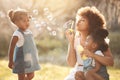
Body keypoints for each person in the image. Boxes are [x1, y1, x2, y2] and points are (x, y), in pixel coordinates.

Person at [65, 6, 114, 80]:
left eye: (83, 20)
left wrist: (92, 55)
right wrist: (71, 42)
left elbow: (110, 62)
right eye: (78, 19)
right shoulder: (75, 40)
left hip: (94, 73)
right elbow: (71, 64)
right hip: (78, 71)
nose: (78, 22)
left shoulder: (98, 41)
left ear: (91, 24)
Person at [8, 9, 40, 80]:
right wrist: (10, 61)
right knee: (21, 77)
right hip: (21, 61)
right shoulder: (17, 34)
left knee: (31, 75)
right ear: (16, 22)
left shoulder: (29, 32)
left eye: (28, 20)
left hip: (30, 60)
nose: (27, 22)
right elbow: (11, 49)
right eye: (24, 21)